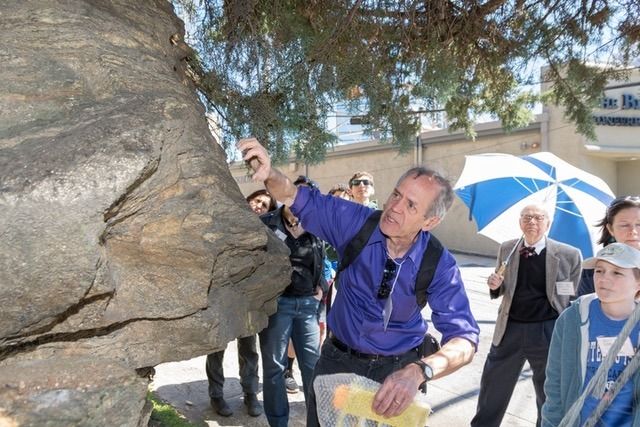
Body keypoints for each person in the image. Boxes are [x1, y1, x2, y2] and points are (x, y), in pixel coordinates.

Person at [237, 137, 480, 426]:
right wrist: (269, 173)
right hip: (337, 362)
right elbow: (296, 197)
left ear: (430, 222)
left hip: (397, 373)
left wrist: (420, 371)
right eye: (396, 194)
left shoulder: (438, 263)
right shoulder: (356, 223)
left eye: (411, 205)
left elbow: (464, 340)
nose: (395, 207)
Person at [471, 204, 582, 427]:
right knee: (493, 384)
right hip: (510, 327)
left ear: (548, 223)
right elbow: (501, 288)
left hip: (548, 329)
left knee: (548, 390)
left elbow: (571, 296)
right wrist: (495, 285)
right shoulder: (507, 248)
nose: (532, 221)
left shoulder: (570, 254)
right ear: (520, 222)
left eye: (538, 217)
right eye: (526, 217)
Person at [542, 243, 640, 427]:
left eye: (616, 273)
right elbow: (554, 383)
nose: (604, 279)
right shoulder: (573, 319)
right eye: (599, 271)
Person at [257, 176, 326, 427]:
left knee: (312, 366)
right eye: (297, 193)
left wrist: (323, 288)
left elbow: (323, 263)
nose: (300, 199)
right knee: (275, 367)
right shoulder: (265, 223)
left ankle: (316, 421)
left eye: (308, 196)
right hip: (277, 305)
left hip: (307, 305)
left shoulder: (318, 227)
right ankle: (278, 423)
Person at [204, 190, 276, 417]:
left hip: (248, 301)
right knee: (216, 348)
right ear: (248, 200)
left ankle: (251, 394)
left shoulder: (267, 232)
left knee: (249, 349)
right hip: (221, 297)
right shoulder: (224, 222)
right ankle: (216, 395)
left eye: (264, 205)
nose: (258, 206)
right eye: (256, 201)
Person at [578, 195, 640, 296]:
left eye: (639, 224)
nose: (633, 231)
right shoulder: (593, 270)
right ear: (611, 229)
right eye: (624, 225)